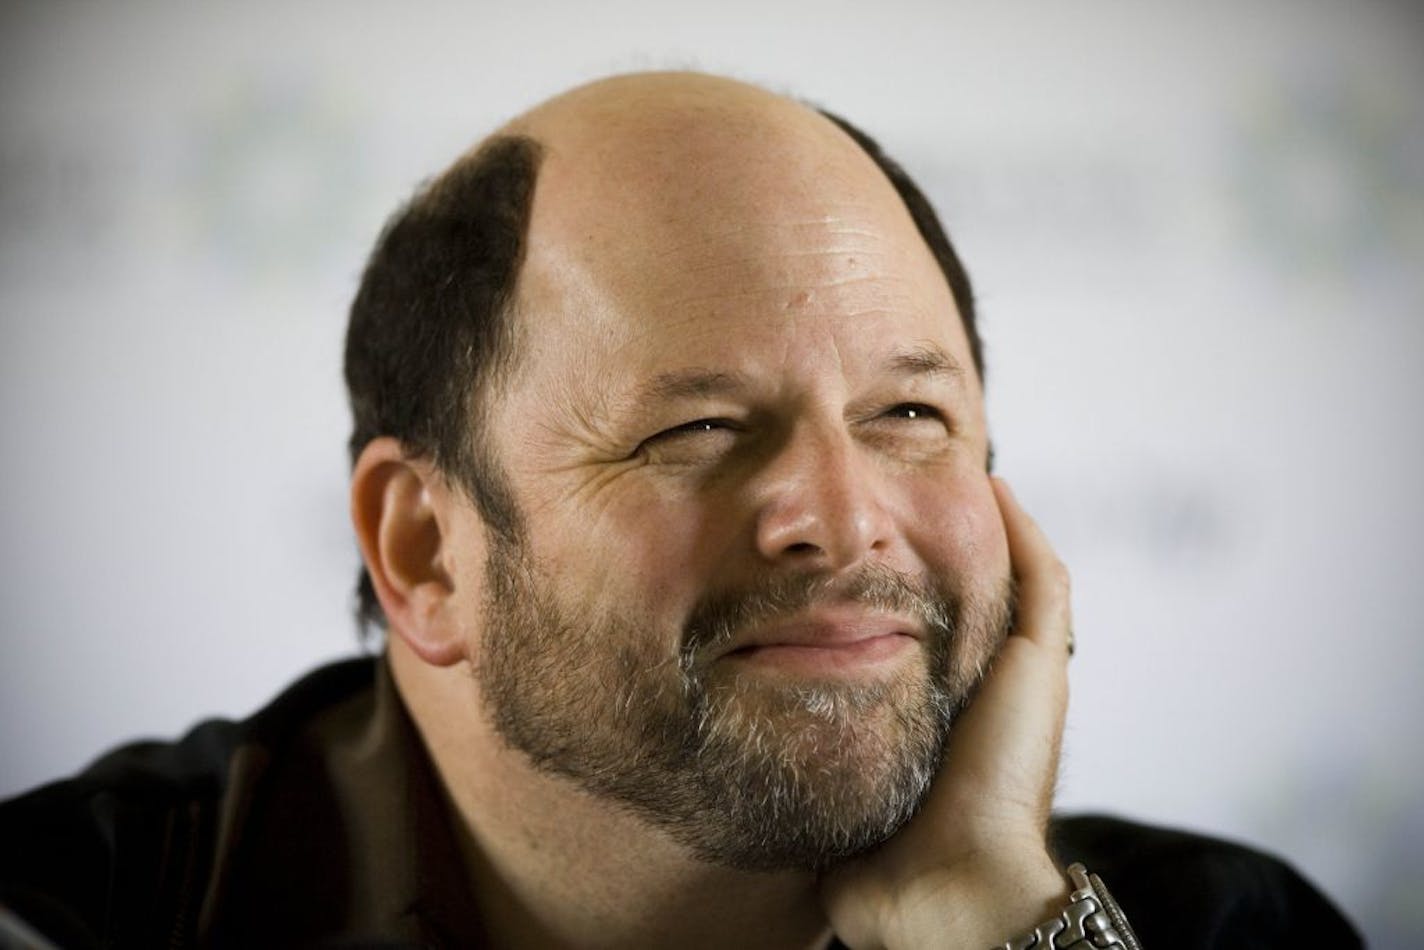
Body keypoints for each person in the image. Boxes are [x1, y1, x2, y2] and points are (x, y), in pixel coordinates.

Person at [0, 72, 1359, 949]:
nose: (843, 516)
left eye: (908, 416)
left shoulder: (1216, 928)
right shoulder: (76, 907)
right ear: (424, 546)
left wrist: (1002, 936)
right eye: (698, 428)